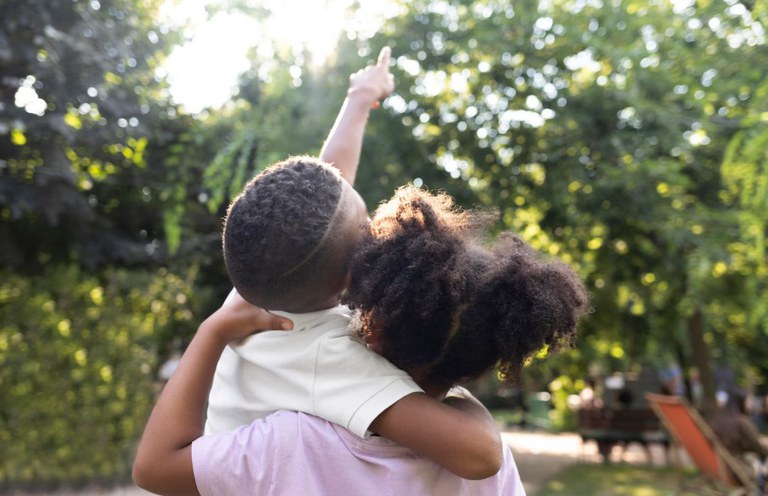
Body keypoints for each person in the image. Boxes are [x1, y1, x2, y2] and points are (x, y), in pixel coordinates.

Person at [133, 186, 590, 495]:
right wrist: (465, 400)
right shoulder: (484, 460)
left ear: (373, 325)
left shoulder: (287, 444)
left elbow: (155, 467)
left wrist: (211, 330)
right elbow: (484, 457)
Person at [205, 46, 503, 478]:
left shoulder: (262, 280)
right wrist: (454, 387)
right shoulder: (329, 356)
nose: (376, 233)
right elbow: (481, 456)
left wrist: (360, 97)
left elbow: (332, 182)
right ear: (350, 273)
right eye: (365, 231)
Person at [708, 390, 768, 489]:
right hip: (738, 469)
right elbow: (757, 447)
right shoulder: (742, 422)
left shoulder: (716, 420)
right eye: (748, 401)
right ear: (741, 402)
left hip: (718, 467)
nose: (750, 404)